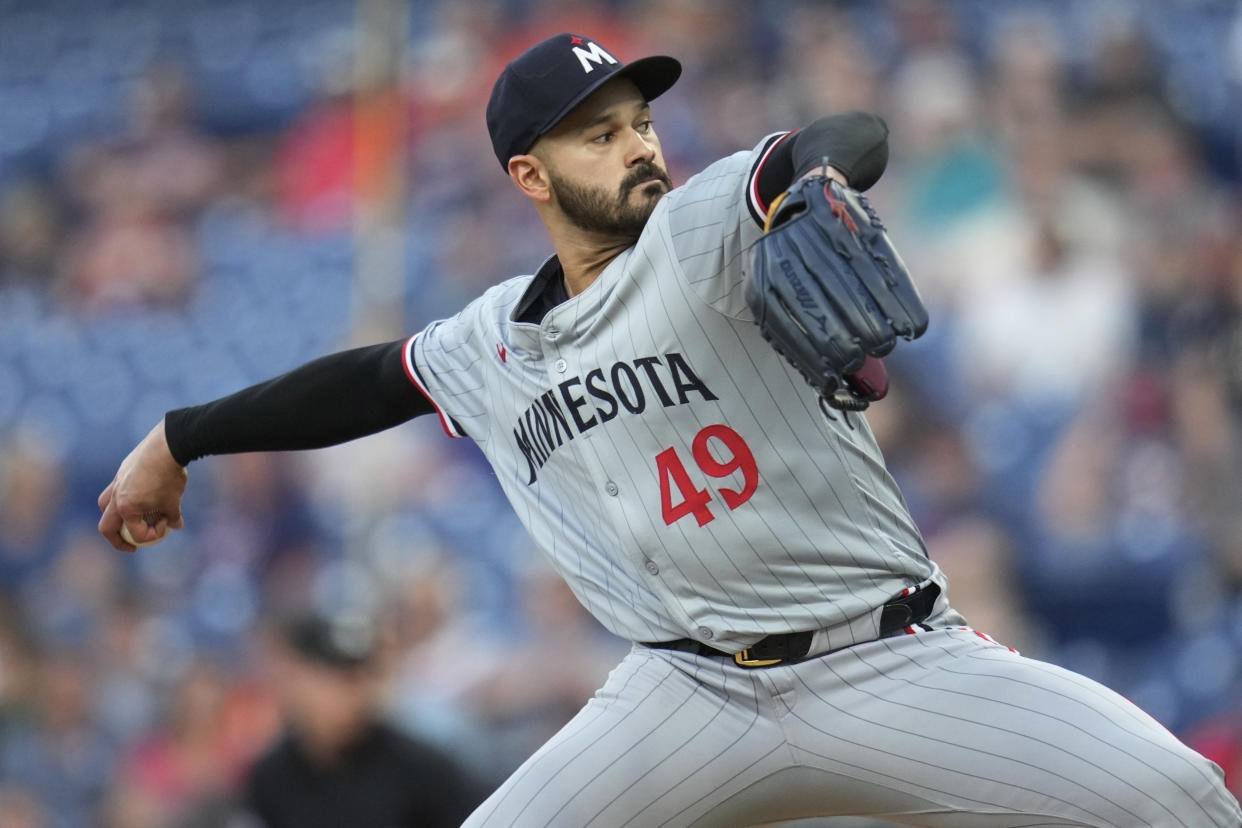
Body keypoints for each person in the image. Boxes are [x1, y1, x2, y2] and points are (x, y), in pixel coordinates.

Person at [99, 33, 1241, 827]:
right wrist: (177, 438)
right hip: (689, 695)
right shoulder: (493, 339)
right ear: (527, 173)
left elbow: (838, 135)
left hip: (888, 657)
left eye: (641, 120)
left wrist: (819, 177)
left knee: (1178, 803)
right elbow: (365, 383)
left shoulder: (701, 229)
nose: (639, 145)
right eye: (599, 135)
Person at [239, 612, 481, 828]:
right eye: (337, 678)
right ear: (299, 677)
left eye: (361, 677)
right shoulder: (271, 777)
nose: (352, 695)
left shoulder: (422, 770)